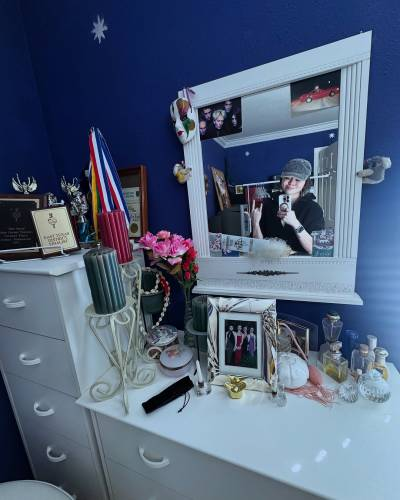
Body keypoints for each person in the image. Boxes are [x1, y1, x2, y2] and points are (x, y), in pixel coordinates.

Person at [251, 159, 325, 255]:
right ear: (282, 180)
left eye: (297, 179)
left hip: (300, 265)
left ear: (305, 183)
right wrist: (255, 224)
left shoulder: (313, 209)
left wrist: (295, 223)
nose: (291, 183)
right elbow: (258, 248)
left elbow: (313, 249)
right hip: (271, 264)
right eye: (287, 177)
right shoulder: (267, 205)